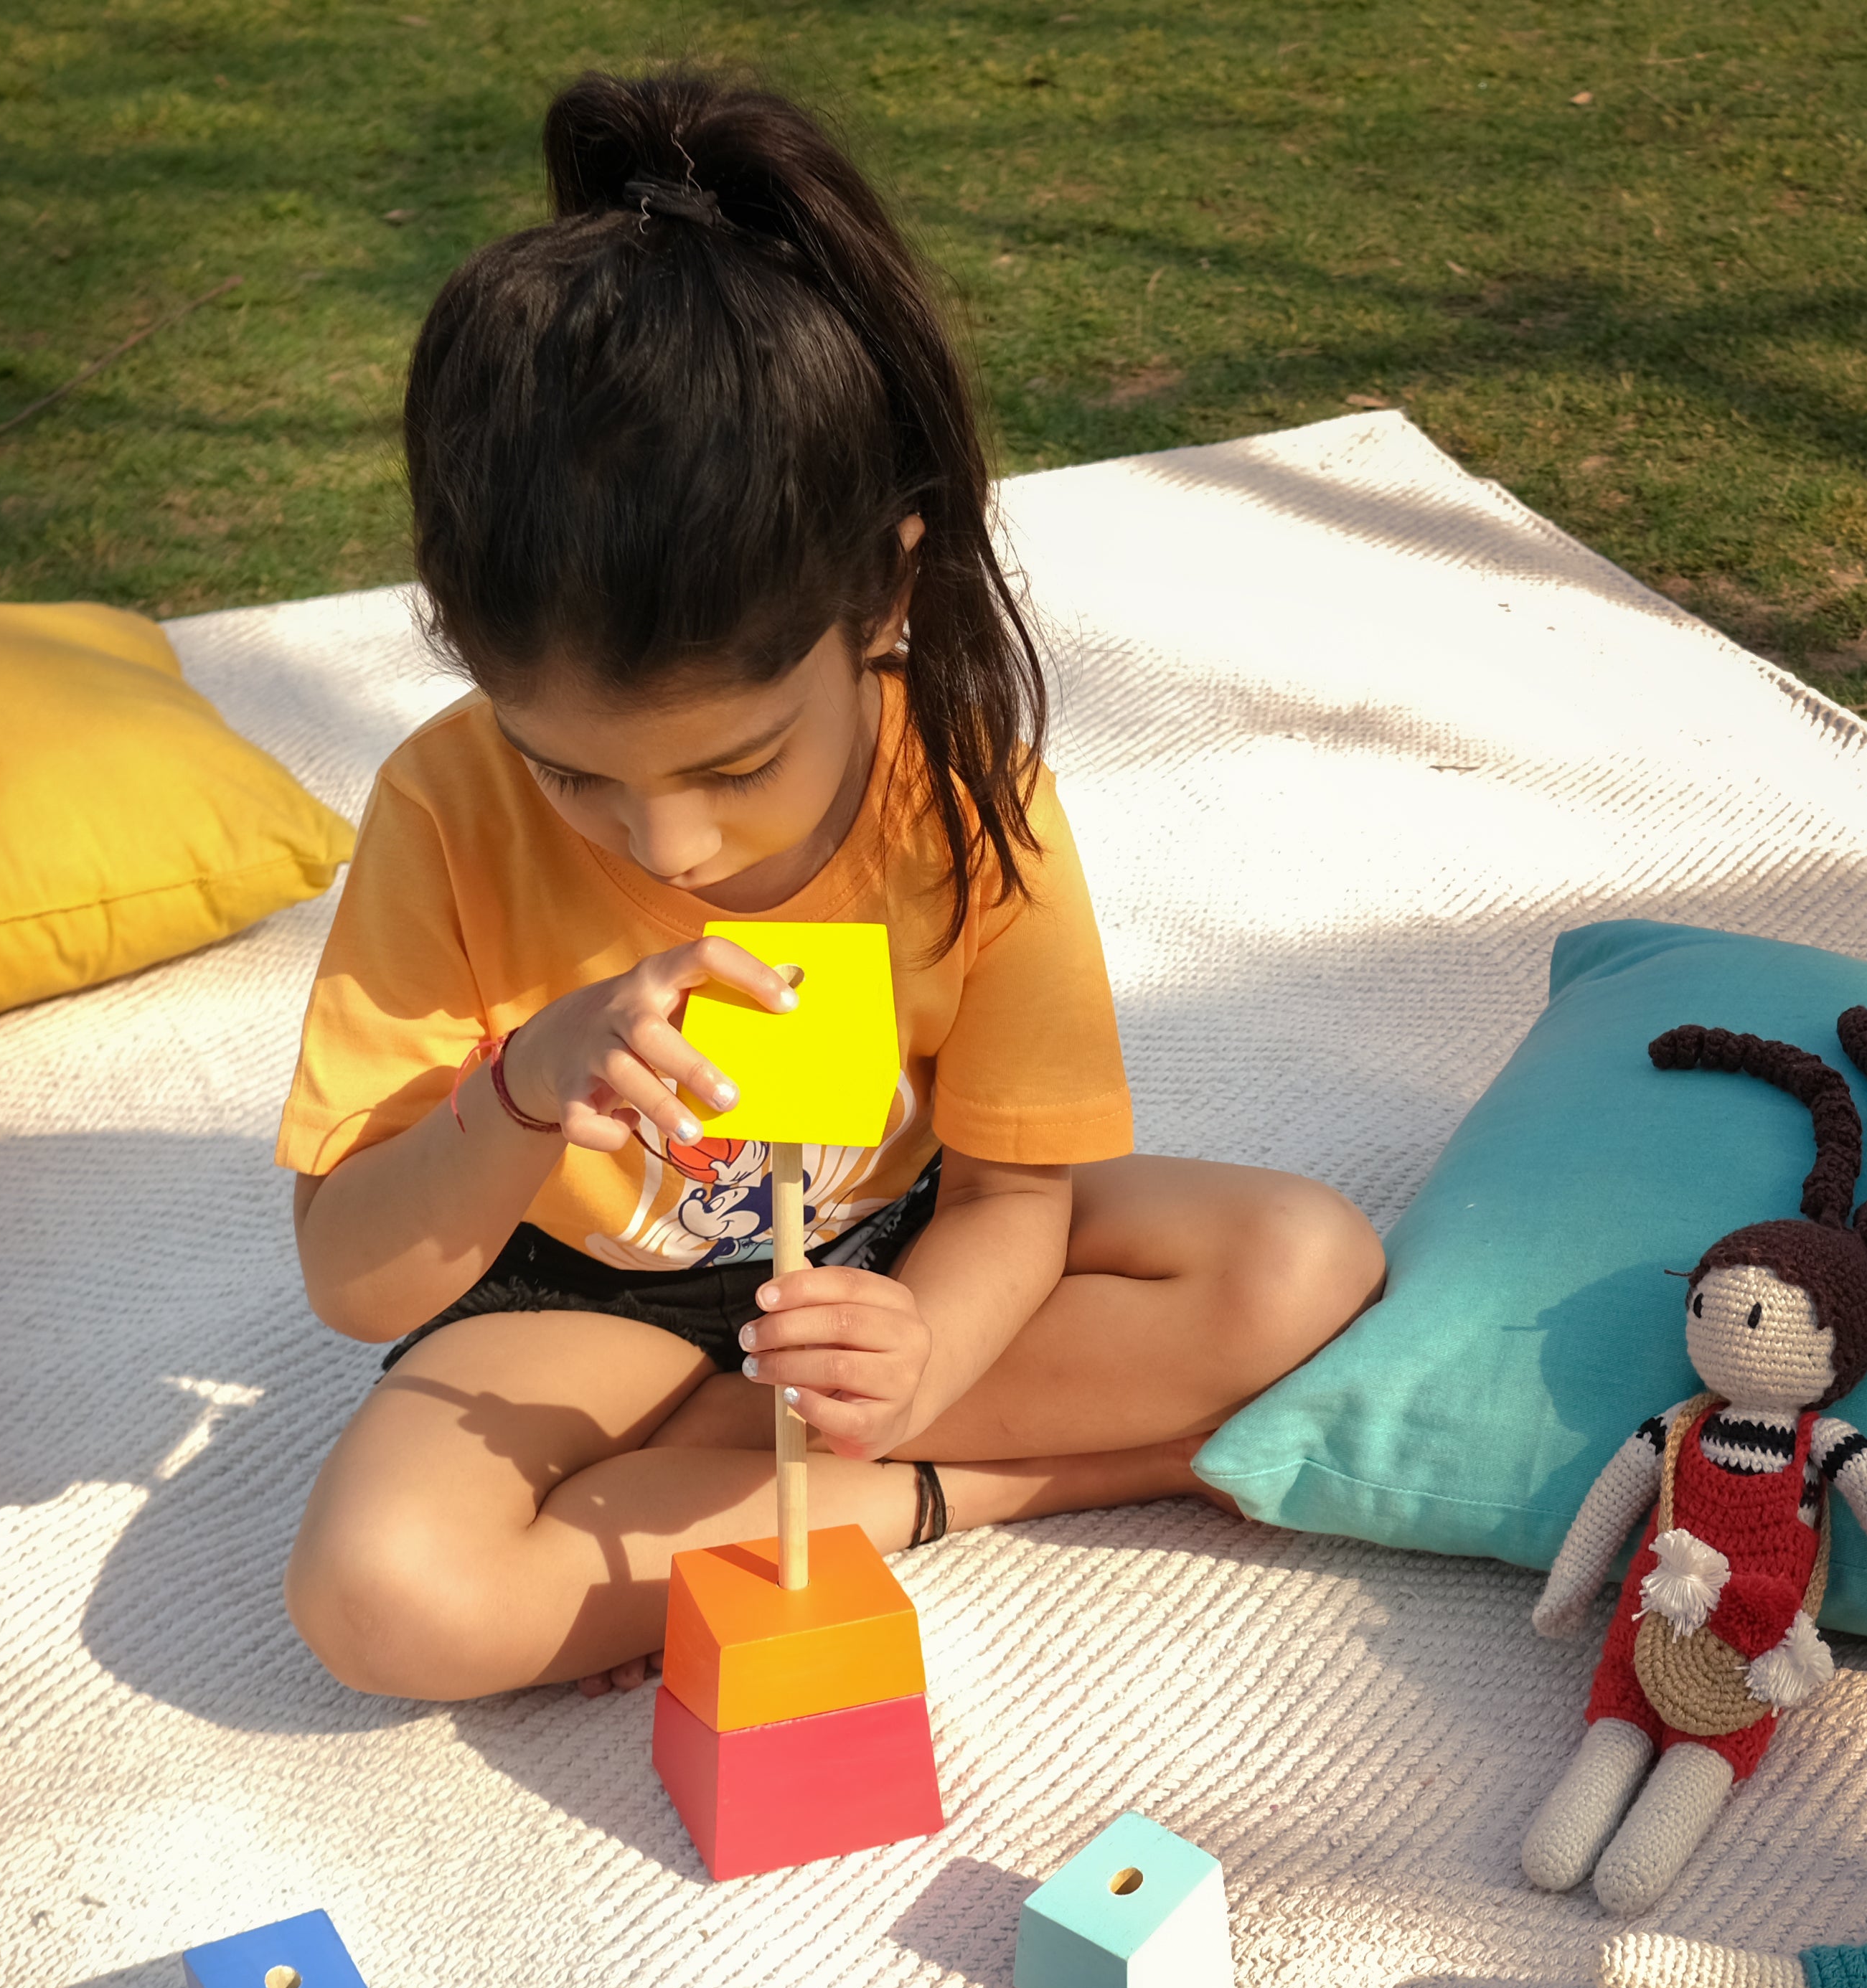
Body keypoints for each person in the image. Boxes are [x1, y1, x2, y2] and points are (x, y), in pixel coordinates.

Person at [275, 69, 1383, 1703]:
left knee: (1300, 1261)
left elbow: (1013, 1198)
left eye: (731, 767)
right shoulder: (441, 804)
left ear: (883, 587)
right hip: (591, 1291)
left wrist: (921, 1342)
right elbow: (351, 1276)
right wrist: (520, 1089)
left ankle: (713, 1466)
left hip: (891, 1234)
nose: (671, 854)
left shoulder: (967, 802)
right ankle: (1005, 1485)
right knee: (383, 1599)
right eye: (569, 769)